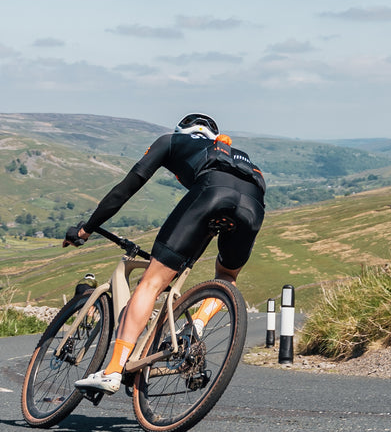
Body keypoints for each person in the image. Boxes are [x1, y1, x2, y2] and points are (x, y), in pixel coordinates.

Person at [64, 113, 266, 393]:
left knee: (152, 282)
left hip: (210, 193)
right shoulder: (233, 153)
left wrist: (87, 229)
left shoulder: (171, 141)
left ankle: (112, 370)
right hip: (253, 206)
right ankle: (197, 322)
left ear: (182, 130)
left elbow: (125, 189)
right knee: (227, 276)